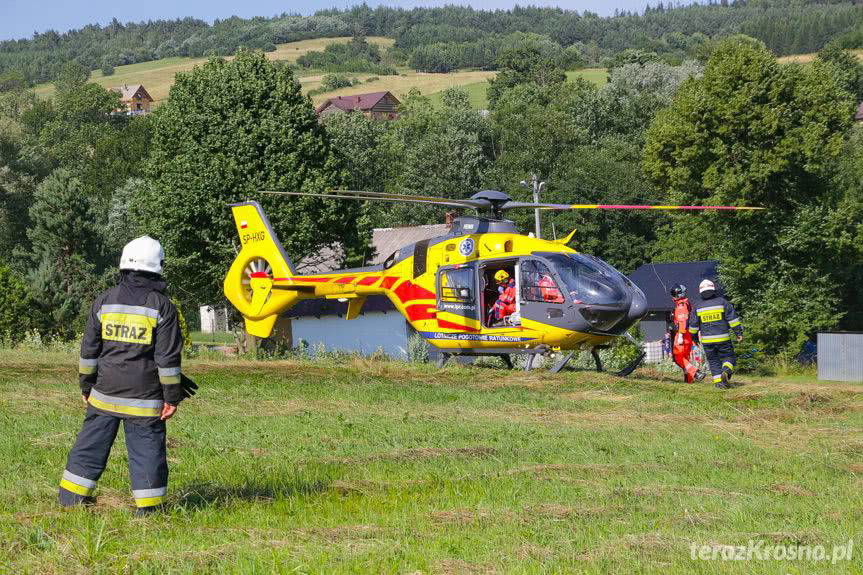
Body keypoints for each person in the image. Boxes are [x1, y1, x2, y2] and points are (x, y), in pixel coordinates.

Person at [59, 236, 196, 515]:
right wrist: (172, 396)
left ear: (123, 265)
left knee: (90, 446)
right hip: (144, 400)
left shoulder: (103, 301)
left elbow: (88, 352)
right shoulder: (161, 306)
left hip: (103, 394)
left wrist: (86, 386)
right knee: (147, 453)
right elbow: (168, 360)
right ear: (158, 267)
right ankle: (147, 510)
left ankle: (70, 499)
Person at [688, 279, 743, 390]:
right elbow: (733, 320)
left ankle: (719, 384)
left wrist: (694, 339)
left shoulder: (697, 306)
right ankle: (726, 371)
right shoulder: (722, 302)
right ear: (713, 289)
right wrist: (738, 333)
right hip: (723, 339)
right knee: (728, 357)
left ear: (700, 291)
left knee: (713, 361)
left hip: (707, 341)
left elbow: (693, 326)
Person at [669, 284, 701, 383]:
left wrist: (680, 336)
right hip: (688, 335)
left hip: (682, 334)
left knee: (678, 357)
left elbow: (682, 320)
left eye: (673, 294)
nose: (672, 296)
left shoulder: (681, 305)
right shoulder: (686, 304)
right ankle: (689, 380)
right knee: (685, 357)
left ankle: (696, 373)